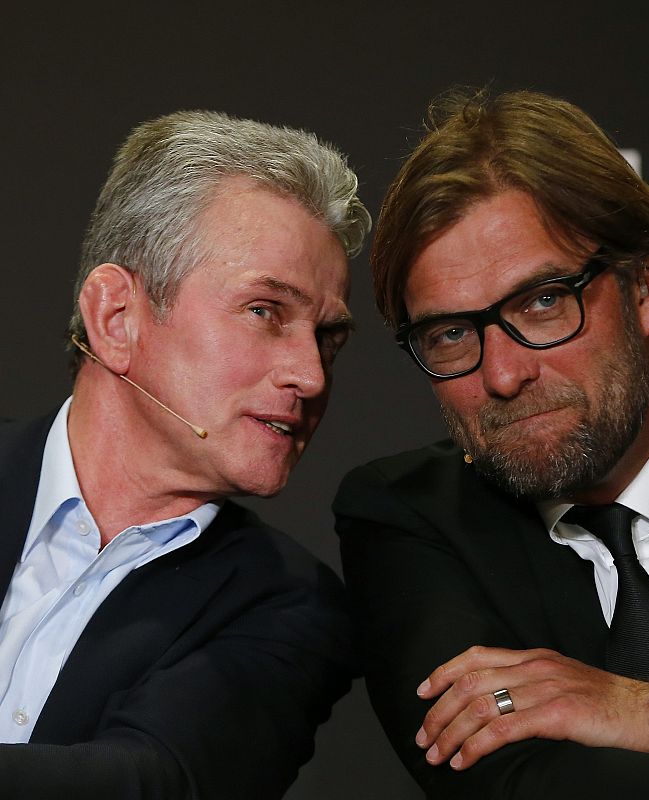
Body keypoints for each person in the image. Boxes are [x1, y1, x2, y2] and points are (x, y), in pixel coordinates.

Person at [333, 88, 649, 797]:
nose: (502, 374)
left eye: (542, 300)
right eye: (451, 334)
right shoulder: (409, 518)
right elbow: (521, 785)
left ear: (647, 290)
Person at [0, 109, 371, 798]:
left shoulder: (291, 606)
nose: (311, 376)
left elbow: (149, 784)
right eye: (265, 311)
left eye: (328, 338)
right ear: (117, 318)